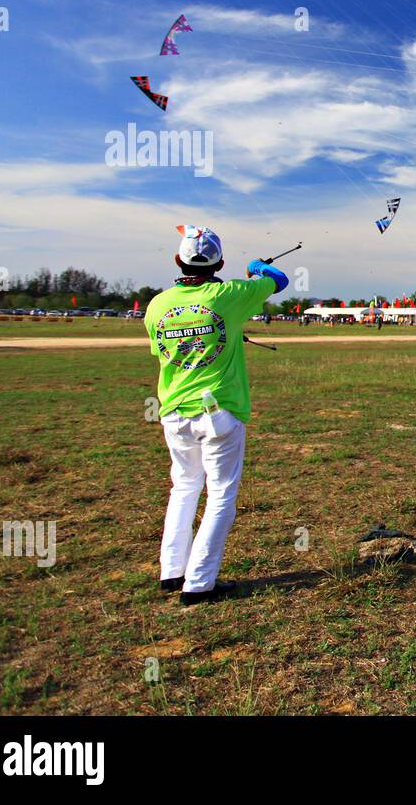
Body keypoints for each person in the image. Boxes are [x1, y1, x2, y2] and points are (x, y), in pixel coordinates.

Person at [145, 224, 289, 606]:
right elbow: (279, 279)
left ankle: (171, 571)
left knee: (184, 488)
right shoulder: (229, 295)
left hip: (174, 411)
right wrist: (257, 266)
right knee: (221, 495)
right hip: (219, 413)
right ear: (220, 263)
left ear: (178, 260)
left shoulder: (156, 305)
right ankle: (199, 582)